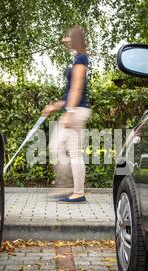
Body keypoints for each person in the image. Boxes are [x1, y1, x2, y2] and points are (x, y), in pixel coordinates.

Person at [43, 26, 91, 204]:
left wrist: (69, 112)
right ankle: (76, 191)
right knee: (73, 152)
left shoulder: (80, 58)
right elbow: (71, 92)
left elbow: (77, 88)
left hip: (76, 111)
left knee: (57, 147)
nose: (67, 40)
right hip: (77, 109)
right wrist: (55, 106)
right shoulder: (79, 57)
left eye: (70, 38)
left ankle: (70, 188)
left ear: (76, 40)